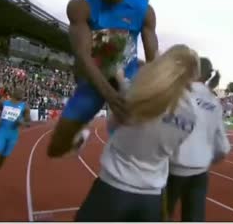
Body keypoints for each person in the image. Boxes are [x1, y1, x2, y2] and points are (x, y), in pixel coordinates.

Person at [47, 0, 159, 158]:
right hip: (92, 79)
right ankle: (78, 137)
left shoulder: (144, 10)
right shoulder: (81, 6)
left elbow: (154, 61)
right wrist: (109, 95)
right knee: (56, 148)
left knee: (139, 146)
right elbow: (82, 55)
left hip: (128, 79)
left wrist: (152, 90)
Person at [74, 44, 199, 222]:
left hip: (112, 189)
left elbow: (113, 123)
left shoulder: (139, 91)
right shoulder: (192, 114)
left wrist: (119, 77)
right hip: (152, 199)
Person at [165, 57, 230, 221]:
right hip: (200, 173)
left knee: (162, 215)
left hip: (172, 170)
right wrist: (205, 157)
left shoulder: (178, 93)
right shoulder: (214, 103)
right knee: (194, 218)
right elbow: (223, 147)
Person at [0, 87, 31, 203]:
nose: (20, 91)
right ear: (12, 92)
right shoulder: (3, 103)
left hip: (12, 136)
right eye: (17, 89)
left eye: (22, 90)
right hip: (2, 133)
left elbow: (28, 123)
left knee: (0, 162)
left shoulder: (25, 107)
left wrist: (22, 122)